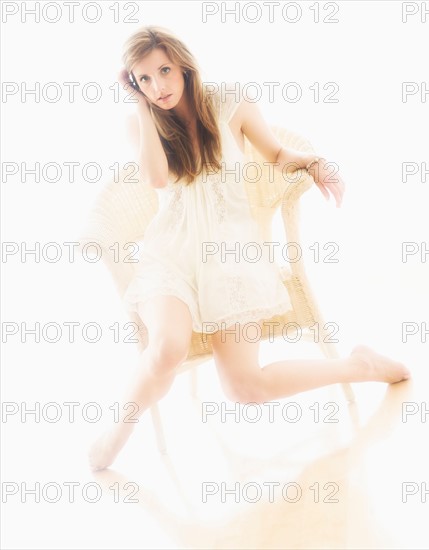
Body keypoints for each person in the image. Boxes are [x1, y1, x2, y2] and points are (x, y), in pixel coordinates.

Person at [88, 26, 411, 472]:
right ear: (134, 84)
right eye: (143, 79)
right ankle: (115, 434)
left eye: (164, 71)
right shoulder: (139, 122)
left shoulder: (230, 103)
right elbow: (157, 179)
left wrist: (316, 164)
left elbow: (277, 154)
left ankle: (361, 366)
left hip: (231, 259)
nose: (158, 86)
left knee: (246, 389)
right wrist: (142, 107)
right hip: (173, 257)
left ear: (183, 64)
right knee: (166, 348)